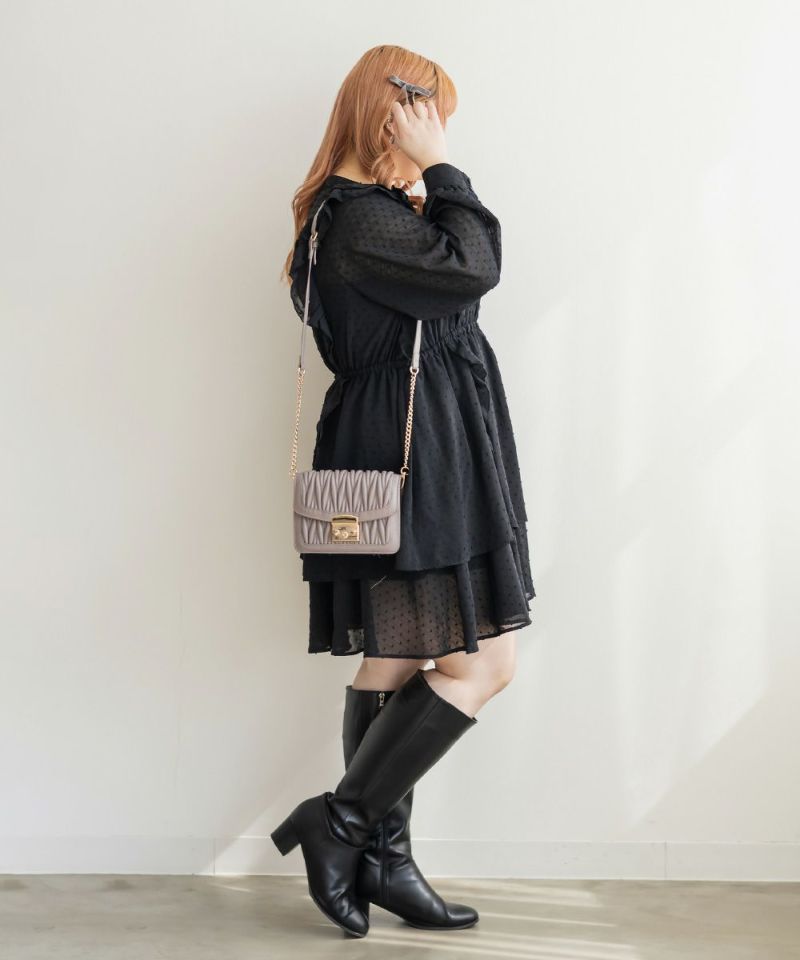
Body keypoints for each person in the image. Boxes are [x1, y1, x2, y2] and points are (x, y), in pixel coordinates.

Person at [274, 45, 536, 938]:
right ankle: (344, 824)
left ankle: (386, 862)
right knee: (483, 664)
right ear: (391, 111)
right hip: (416, 456)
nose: (438, 132)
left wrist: (423, 185)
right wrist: (442, 169)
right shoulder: (358, 222)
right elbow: (475, 266)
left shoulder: (365, 215)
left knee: (393, 661)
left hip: (419, 444)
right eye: (430, 115)